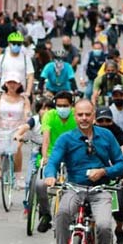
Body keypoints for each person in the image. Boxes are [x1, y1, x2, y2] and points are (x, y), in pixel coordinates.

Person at [43, 100, 123, 244]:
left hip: (101, 191)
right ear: (75, 116)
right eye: (80, 115)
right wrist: (50, 176)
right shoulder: (66, 138)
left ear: (94, 115)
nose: (84, 118)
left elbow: (122, 164)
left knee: (104, 226)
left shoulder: (106, 136)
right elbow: (53, 161)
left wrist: (104, 172)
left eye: (87, 114)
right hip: (75, 188)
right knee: (62, 213)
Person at [34, 91, 78, 232]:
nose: (62, 108)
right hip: (53, 156)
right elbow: (46, 137)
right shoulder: (49, 115)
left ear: (71, 105)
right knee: (40, 184)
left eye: (65, 105)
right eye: (59, 105)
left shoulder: (77, 116)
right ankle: (46, 214)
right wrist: (45, 156)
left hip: (73, 157)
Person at [95, 107, 123, 244]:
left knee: (119, 211)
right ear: (95, 121)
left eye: (107, 120)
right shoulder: (90, 132)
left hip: (115, 175)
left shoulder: (118, 133)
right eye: (101, 121)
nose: (104, 123)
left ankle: (119, 230)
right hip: (95, 175)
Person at [0, 73, 31, 182]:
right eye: (10, 82)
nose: (12, 85)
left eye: (15, 83)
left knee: (17, 148)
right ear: (5, 83)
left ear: (19, 84)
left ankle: (18, 177)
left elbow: (27, 114)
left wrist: (28, 123)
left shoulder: (24, 99)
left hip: (17, 130)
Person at [0, 31, 35, 98]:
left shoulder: (26, 59)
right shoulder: (2, 58)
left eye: (18, 44)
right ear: (9, 44)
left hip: (21, 94)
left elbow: (30, 76)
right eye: (13, 43)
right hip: (3, 93)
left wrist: (28, 92)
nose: (16, 45)